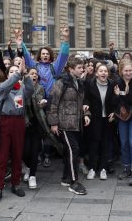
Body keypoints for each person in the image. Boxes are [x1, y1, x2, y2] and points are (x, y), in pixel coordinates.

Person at [46, 57, 90, 195]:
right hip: (64, 123)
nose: (82, 69)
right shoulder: (61, 82)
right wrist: (53, 123)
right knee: (73, 150)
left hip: (76, 123)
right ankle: (73, 181)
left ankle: (66, 178)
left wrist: (86, 113)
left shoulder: (80, 83)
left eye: (82, 67)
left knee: (69, 151)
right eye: (79, 68)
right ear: (71, 69)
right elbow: (52, 103)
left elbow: (83, 102)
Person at [0, 59, 34, 204]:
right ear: (7, 74)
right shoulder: (2, 87)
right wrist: (17, 73)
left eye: (16, 71)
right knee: (2, 156)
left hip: (19, 122)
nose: (14, 74)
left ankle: (15, 184)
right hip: (4, 121)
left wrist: (26, 75)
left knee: (17, 154)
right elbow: (5, 87)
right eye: (11, 72)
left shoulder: (21, 88)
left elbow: (30, 91)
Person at [14, 26, 70, 98]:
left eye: (47, 54)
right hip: (36, 100)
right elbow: (26, 55)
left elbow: (62, 57)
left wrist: (66, 40)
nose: (45, 55)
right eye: (43, 54)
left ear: (50, 56)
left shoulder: (54, 67)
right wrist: (21, 44)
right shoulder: (34, 66)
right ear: (40, 56)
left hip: (51, 100)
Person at [84, 64, 118, 181]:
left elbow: (115, 102)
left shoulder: (113, 84)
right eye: (101, 71)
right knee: (94, 143)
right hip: (95, 118)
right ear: (96, 73)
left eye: (105, 71)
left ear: (108, 74)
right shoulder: (90, 84)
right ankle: (92, 168)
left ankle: (103, 168)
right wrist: (86, 107)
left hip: (108, 118)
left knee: (105, 143)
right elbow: (86, 98)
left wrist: (114, 112)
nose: (103, 73)